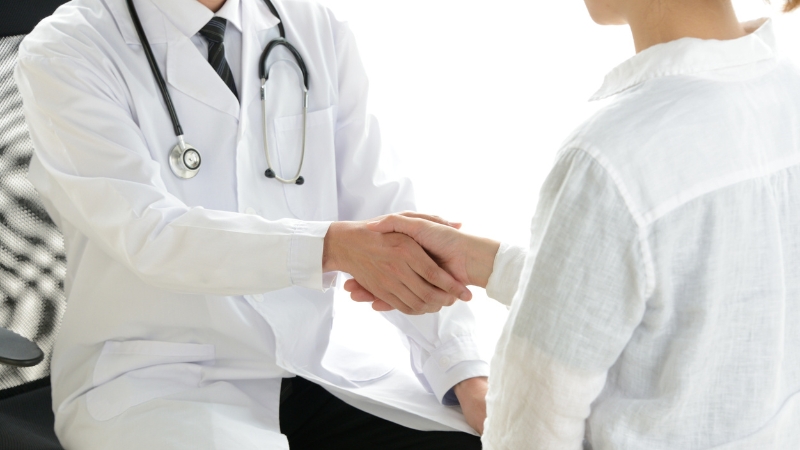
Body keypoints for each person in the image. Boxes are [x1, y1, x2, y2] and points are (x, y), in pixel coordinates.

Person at [14, 0, 489, 448]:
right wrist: (329, 247)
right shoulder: (67, 49)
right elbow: (150, 234)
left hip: (307, 368)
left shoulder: (311, 24)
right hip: (157, 380)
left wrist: (464, 369)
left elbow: (389, 214)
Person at [347, 0, 800, 448]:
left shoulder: (614, 155)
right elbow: (688, 301)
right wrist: (488, 262)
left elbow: (533, 427)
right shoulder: (784, 88)